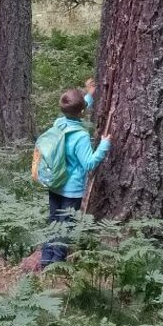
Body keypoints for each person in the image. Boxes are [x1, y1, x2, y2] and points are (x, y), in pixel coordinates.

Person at [39, 89, 111, 269]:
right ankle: (57, 264)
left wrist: (89, 96)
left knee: (54, 221)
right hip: (71, 189)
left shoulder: (58, 124)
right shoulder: (81, 136)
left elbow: (73, 108)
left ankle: (45, 259)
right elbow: (88, 164)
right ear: (81, 111)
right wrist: (104, 145)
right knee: (66, 226)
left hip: (55, 183)